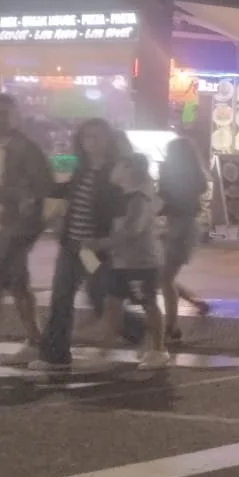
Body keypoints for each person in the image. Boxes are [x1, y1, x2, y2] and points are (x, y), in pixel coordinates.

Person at [31, 119, 121, 371]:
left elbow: (119, 208)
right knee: (61, 298)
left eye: (98, 136)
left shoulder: (114, 171)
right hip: (73, 245)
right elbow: (65, 192)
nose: (92, 141)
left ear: (108, 140)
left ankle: (135, 328)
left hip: (95, 249)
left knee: (101, 297)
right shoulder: (82, 169)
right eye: (88, 136)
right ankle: (55, 354)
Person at [0, 94, 52, 347]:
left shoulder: (25, 148)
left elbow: (42, 185)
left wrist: (9, 195)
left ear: (15, 115)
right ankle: (35, 335)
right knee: (17, 280)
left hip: (17, 226)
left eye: (3, 113)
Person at [97, 153, 170, 370]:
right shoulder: (125, 195)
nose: (115, 170)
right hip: (121, 261)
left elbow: (132, 230)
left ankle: (159, 349)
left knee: (147, 303)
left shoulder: (139, 197)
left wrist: (102, 244)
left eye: (120, 165)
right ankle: (105, 348)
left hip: (141, 262)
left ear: (130, 169)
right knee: (112, 302)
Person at [158, 135, 213, 345]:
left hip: (176, 227)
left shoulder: (172, 175)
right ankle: (194, 302)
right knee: (163, 276)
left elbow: (165, 200)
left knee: (163, 277)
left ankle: (171, 326)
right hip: (185, 226)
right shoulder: (195, 176)